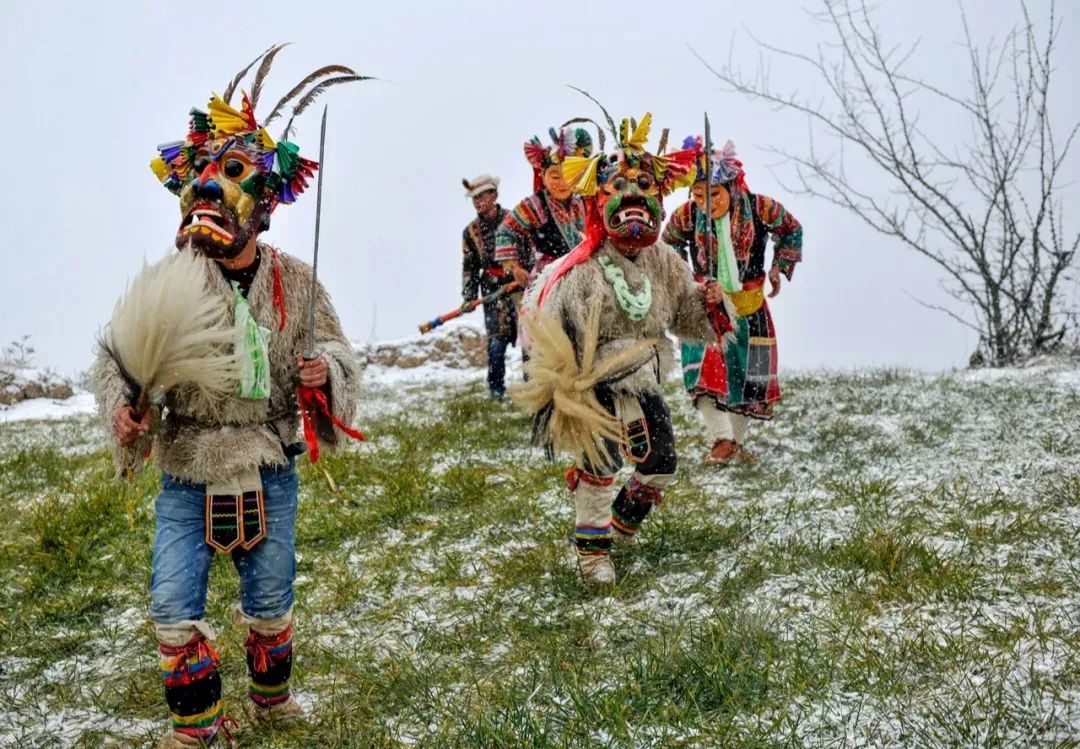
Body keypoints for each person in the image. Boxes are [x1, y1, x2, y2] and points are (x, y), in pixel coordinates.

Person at [91, 48, 364, 748]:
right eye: (201, 177)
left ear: (265, 202)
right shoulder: (167, 284)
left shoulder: (297, 284)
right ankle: (197, 727)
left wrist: (323, 373)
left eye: (234, 173)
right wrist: (125, 405)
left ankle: (272, 699)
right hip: (188, 468)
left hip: (269, 462)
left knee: (270, 599)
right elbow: (120, 360)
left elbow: (338, 349)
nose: (210, 190)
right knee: (173, 607)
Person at [514, 112, 730, 585]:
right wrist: (565, 391)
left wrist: (710, 303)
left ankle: (617, 526)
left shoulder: (665, 262)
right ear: (598, 199)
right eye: (618, 190)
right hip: (594, 384)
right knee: (600, 465)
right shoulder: (579, 272)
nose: (634, 199)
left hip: (645, 377)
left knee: (662, 463)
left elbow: (687, 319)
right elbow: (551, 340)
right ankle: (594, 555)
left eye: (645, 190)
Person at [662, 138, 803, 464]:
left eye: (714, 195)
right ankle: (722, 439)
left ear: (731, 188)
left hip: (749, 307)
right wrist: (683, 274)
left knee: (749, 384)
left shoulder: (759, 207)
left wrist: (779, 265)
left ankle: (734, 444)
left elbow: (791, 230)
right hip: (704, 308)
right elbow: (669, 243)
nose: (706, 203)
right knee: (703, 379)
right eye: (698, 195)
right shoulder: (686, 216)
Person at [494, 127, 591, 288]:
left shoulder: (580, 201)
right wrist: (514, 268)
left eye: (568, 175)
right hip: (548, 276)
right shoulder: (535, 205)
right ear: (544, 178)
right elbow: (505, 231)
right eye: (554, 176)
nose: (562, 182)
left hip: (583, 269)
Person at [461, 175, 516, 399]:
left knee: (529, 340)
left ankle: (533, 386)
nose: (478, 201)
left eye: (482, 196)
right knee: (496, 343)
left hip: (519, 286)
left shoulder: (515, 220)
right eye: (474, 198)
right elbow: (470, 266)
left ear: (493, 195)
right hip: (492, 290)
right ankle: (496, 391)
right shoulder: (471, 232)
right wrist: (469, 295)